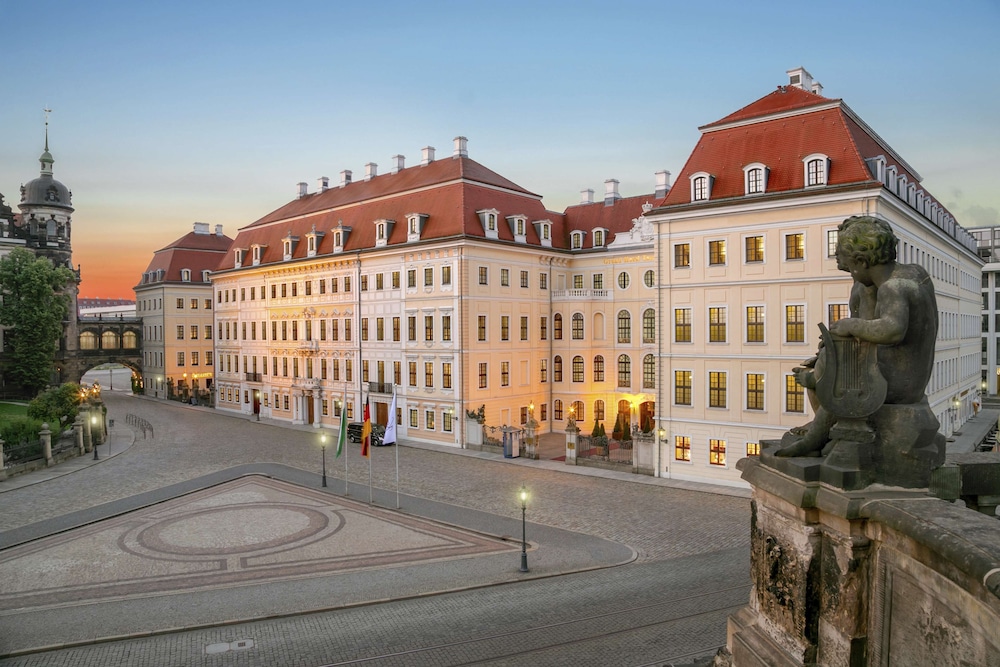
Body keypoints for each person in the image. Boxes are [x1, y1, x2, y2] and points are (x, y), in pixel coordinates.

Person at [776, 216, 938, 457]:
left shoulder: (894, 288)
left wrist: (851, 325)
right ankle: (822, 420)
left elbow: (892, 329)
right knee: (825, 360)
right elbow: (873, 324)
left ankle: (814, 439)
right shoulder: (913, 273)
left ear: (862, 261)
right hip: (904, 374)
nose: (847, 272)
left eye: (849, 266)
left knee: (832, 375)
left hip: (899, 383)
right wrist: (864, 291)